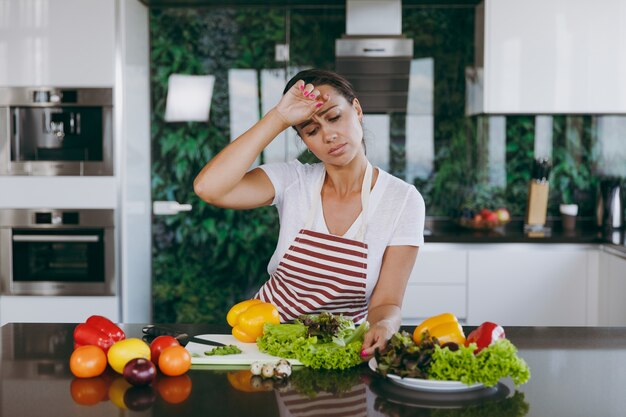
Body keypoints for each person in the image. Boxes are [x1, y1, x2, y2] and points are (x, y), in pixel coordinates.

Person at [194, 69, 425, 356]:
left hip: (339, 349)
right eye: (311, 131)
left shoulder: (402, 200)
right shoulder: (293, 180)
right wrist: (278, 118)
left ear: (356, 110)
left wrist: (386, 325)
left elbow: (386, 302)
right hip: (264, 340)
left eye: (334, 117)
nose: (329, 135)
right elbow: (209, 188)